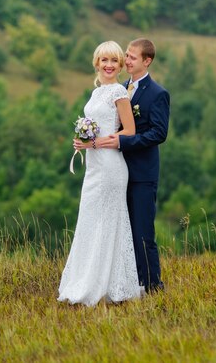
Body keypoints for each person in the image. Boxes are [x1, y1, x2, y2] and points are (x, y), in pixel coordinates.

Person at [58, 41, 142, 307]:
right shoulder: (96, 93)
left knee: (107, 221)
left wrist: (93, 143)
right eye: (104, 60)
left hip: (111, 167)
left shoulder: (118, 91)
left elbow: (129, 131)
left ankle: (107, 285)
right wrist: (83, 140)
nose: (108, 65)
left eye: (114, 61)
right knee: (91, 219)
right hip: (94, 167)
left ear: (119, 66)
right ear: (97, 63)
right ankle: (89, 279)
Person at [97, 38, 170, 294]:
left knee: (142, 232)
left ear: (147, 61)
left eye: (132, 57)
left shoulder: (157, 93)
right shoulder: (120, 88)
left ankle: (153, 286)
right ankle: (127, 284)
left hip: (141, 174)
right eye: (126, 56)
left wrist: (124, 141)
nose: (125, 61)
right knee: (121, 230)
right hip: (116, 171)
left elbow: (159, 134)